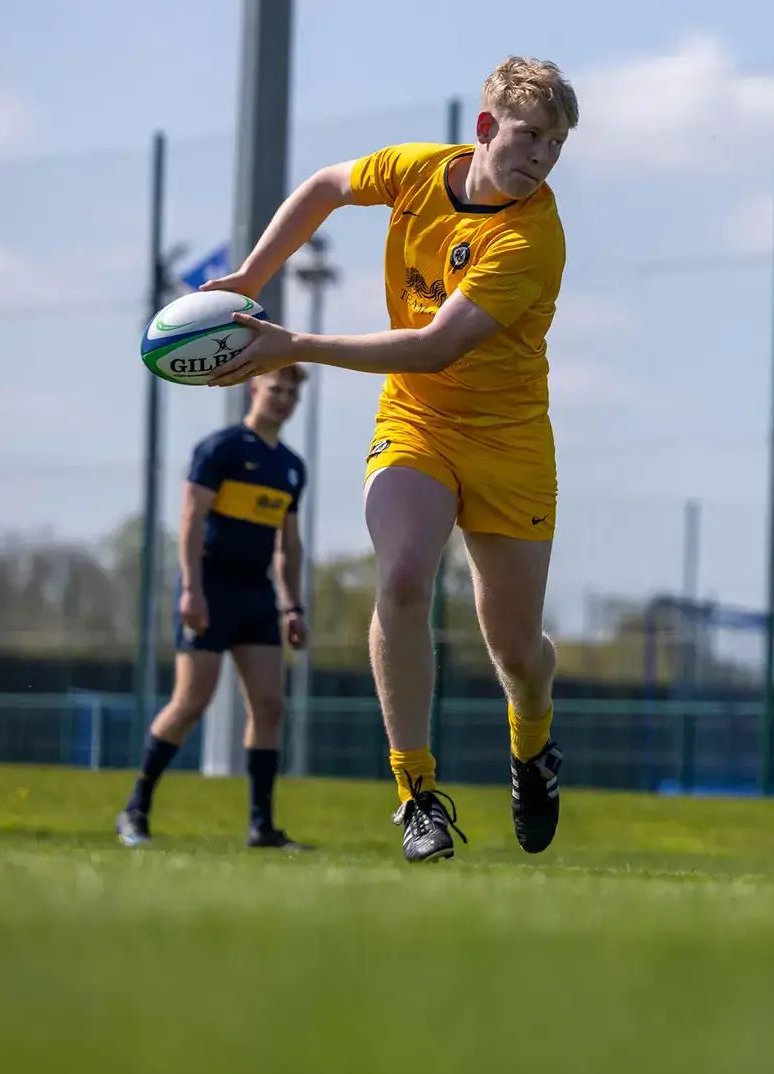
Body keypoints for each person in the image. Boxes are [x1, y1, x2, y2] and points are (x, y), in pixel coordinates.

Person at [197, 57, 577, 863]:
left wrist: (290, 345)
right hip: (417, 424)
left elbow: (435, 345)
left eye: (555, 142)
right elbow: (328, 187)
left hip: (509, 443)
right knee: (403, 576)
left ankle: (532, 739)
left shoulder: (531, 237)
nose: (542, 155)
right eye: (529, 135)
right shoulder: (417, 172)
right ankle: (416, 796)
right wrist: (251, 278)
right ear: (485, 129)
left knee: (515, 651)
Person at [115, 367, 311, 851]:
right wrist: (191, 590)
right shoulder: (220, 449)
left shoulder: (291, 466)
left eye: (291, 392)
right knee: (191, 703)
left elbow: (289, 546)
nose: (283, 398)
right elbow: (190, 518)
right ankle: (136, 808)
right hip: (211, 589)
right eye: (276, 389)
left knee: (269, 705)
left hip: (257, 595)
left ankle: (261, 826)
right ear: (254, 389)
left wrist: (292, 607)